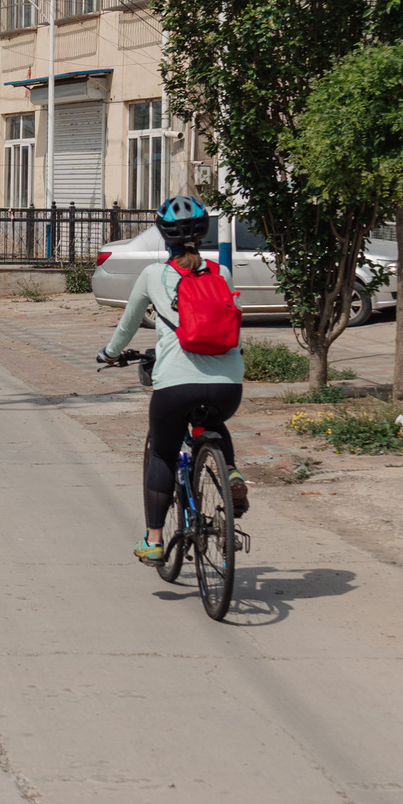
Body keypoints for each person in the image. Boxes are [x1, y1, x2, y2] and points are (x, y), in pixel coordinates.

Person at [98, 194, 247, 563]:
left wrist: (110, 354)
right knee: (213, 421)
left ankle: (153, 541)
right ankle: (230, 473)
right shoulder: (221, 273)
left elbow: (128, 325)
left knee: (163, 455)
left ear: (164, 235)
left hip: (176, 385)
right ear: (203, 233)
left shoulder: (153, 275)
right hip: (228, 386)